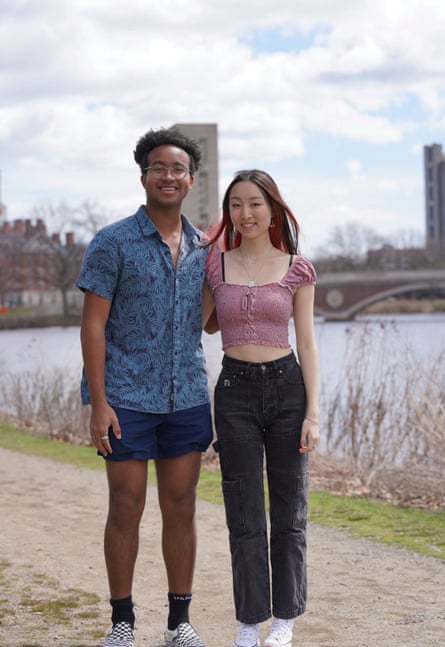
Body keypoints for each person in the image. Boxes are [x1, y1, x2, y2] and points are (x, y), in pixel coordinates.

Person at [77, 126, 213, 647]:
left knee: (180, 506)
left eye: (178, 169)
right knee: (126, 504)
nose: (169, 176)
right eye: (160, 168)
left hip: (187, 397)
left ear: (191, 179)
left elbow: (206, 320)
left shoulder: (205, 246)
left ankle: (179, 623)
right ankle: (122, 621)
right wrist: (99, 403)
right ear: (144, 177)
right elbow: (92, 326)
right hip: (127, 397)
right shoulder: (112, 242)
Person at [202, 170, 319, 647]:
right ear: (227, 212)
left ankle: (285, 619)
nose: (244, 214)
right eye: (235, 205)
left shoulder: (298, 267)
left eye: (254, 203)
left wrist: (313, 413)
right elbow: (204, 327)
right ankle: (250, 620)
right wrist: (206, 259)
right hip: (234, 392)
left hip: (288, 388)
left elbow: (307, 344)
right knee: (244, 511)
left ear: (273, 209)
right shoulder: (215, 265)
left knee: (289, 512)